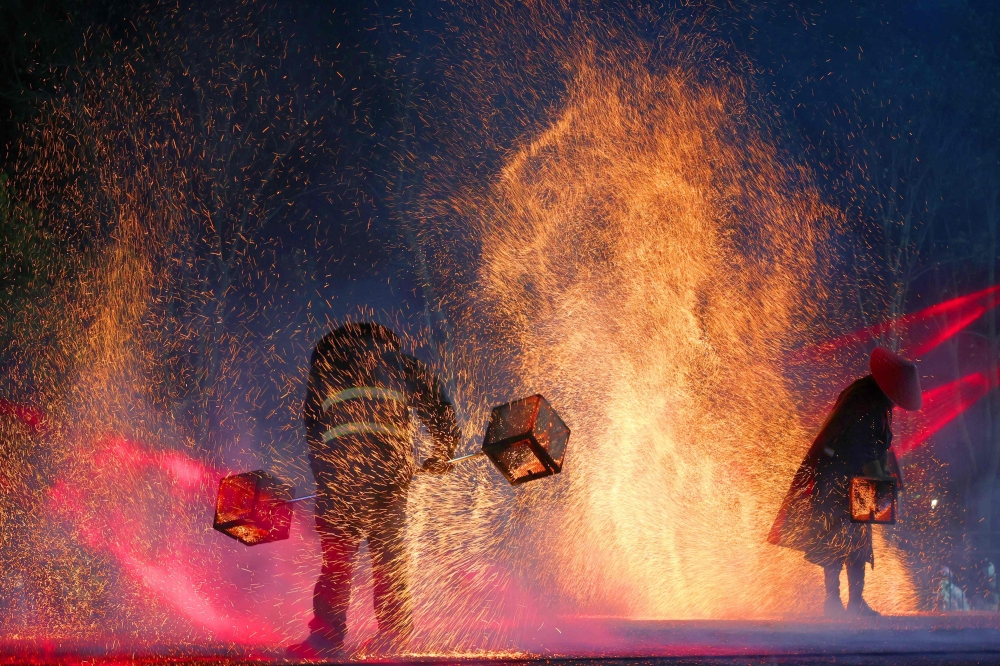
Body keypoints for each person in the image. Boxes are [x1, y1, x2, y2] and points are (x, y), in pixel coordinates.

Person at [288, 323, 460, 658]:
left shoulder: (326, 368)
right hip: (389, 479)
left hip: (340, 482)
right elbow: (439, 411)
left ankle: (325, 641)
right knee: (388, 560)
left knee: (336, 564)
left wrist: (324, 478)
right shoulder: (401, 364)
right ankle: (394, 639)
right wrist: (443, 452)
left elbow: (313, 429)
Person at [768, 347, 921, 618]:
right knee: (836, 539)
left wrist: (886, 478)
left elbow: (877, 447)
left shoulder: (875, 398)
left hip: (857, 478)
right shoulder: (865, 398)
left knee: (858, 541)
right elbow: (862, 447)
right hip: (837, 477)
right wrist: (882, 478)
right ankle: (834, 602)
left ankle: (854, 603)